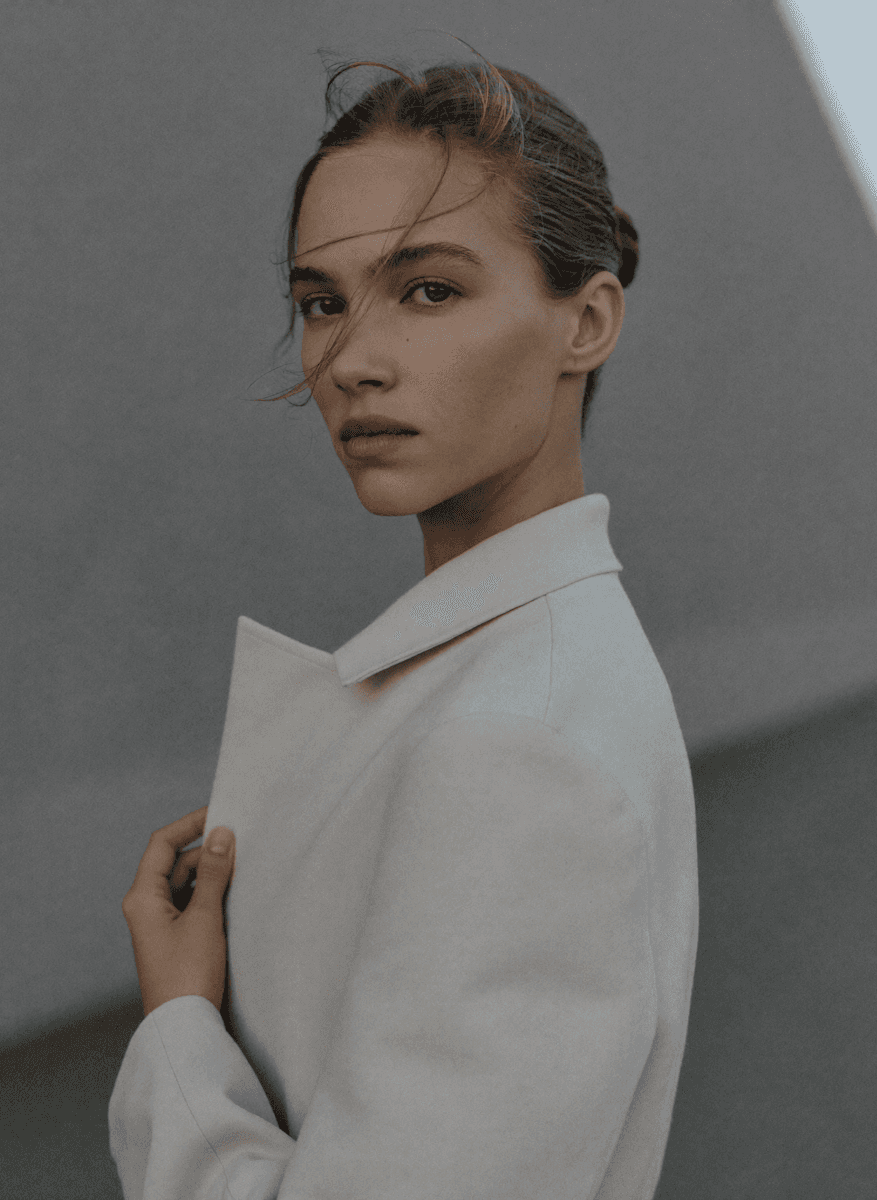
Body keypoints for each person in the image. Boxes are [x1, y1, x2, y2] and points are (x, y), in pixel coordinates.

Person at [110, 45, 698, 1200]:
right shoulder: (514, 684)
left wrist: (181, 1026)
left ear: (586, 322)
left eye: (430, 289)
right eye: (321, 302)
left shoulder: (521, 746)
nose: (353, 362)